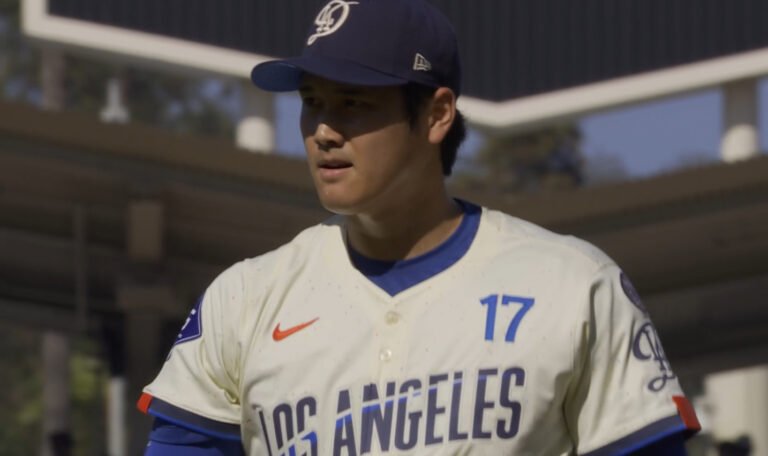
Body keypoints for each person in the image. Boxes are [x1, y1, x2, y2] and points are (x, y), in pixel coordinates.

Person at [138, 0, 701, 454]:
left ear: (437, 115)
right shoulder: (244, 299)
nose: (324, 131)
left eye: (353, 103)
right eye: (312, 102)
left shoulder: (573, 284)